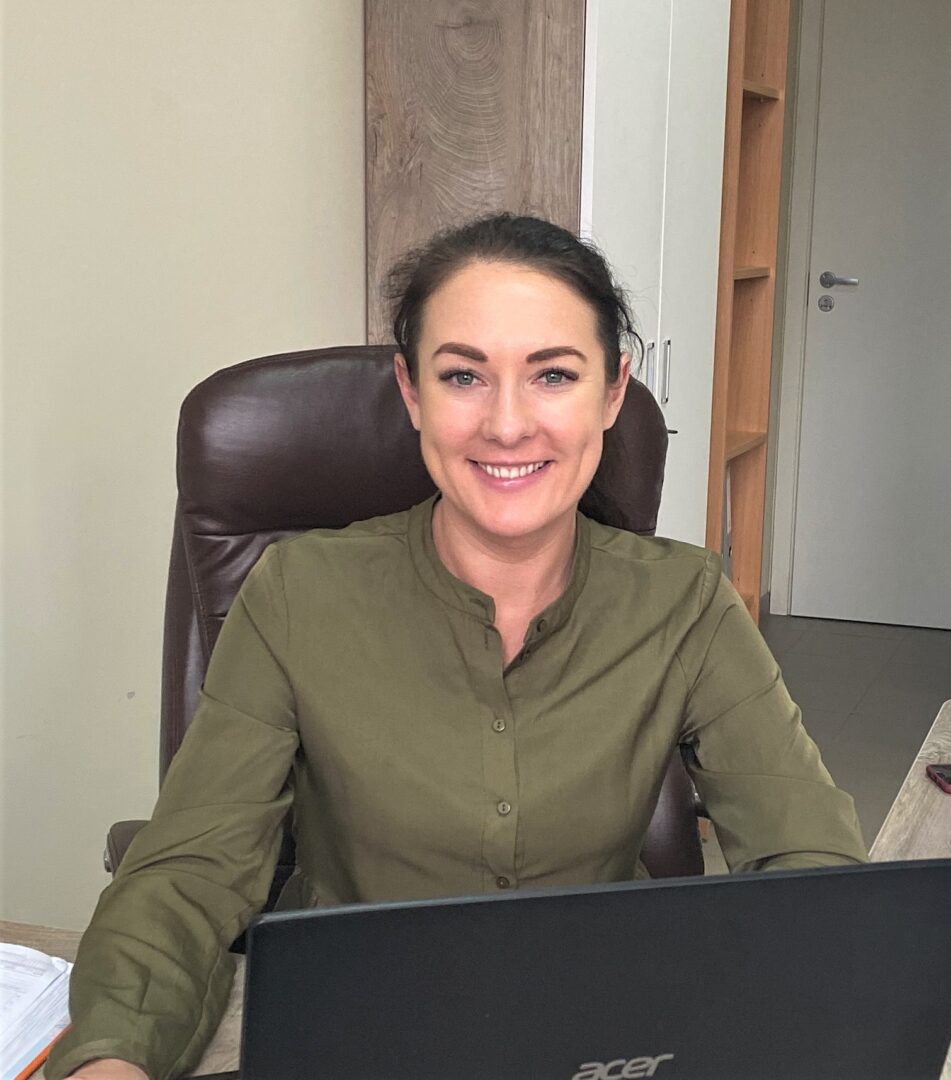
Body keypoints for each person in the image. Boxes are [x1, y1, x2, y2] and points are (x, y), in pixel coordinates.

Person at [49, 214, 867, 1080]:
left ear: (612, 393)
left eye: (554, 374)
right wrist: (112, 1057)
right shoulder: (297, 594)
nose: (507, 425)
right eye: (463, 376)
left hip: (599, 1037)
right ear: (412, 393)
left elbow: (810, 861)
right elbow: (189, 872)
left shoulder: (685, 602)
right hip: (350, 1032)